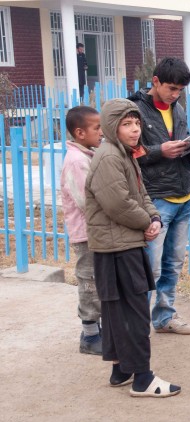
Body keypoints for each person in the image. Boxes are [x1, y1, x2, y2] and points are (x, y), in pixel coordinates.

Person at [85, 98, 181, 397]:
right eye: (127, 124)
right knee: (133, 311)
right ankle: (143, 378)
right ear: (113, 127)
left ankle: (121, 369)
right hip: (117, 248)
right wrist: (146, 223)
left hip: (121, 243)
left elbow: (141, 194)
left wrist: (152, 216)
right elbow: (118, 204)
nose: (135, 129)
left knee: (118, 311)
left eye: (137, 123)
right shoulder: (110, 158)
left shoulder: (124, 154)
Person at [128, 57, 190, 335]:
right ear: (155, 81)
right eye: (171, 88)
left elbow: (184, 154)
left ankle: (164, 317)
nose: (175, 95)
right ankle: (136, 324)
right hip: (155, 199)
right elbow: (127, 152)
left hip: (182, 195)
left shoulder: (179, 110)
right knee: (149, 267)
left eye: (180, 90)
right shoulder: (134, 110)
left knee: (172, 265)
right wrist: (158, 151)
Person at [61, 106, 103, 355]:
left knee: (100, 281)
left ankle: (101, 330)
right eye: (96, 128)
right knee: (89, 283)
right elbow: (86, 202)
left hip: (96, 232)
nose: (101, 132)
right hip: (87, 234)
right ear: (80, 132)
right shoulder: (76, 162)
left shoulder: (87, 155)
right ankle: (89, 336)